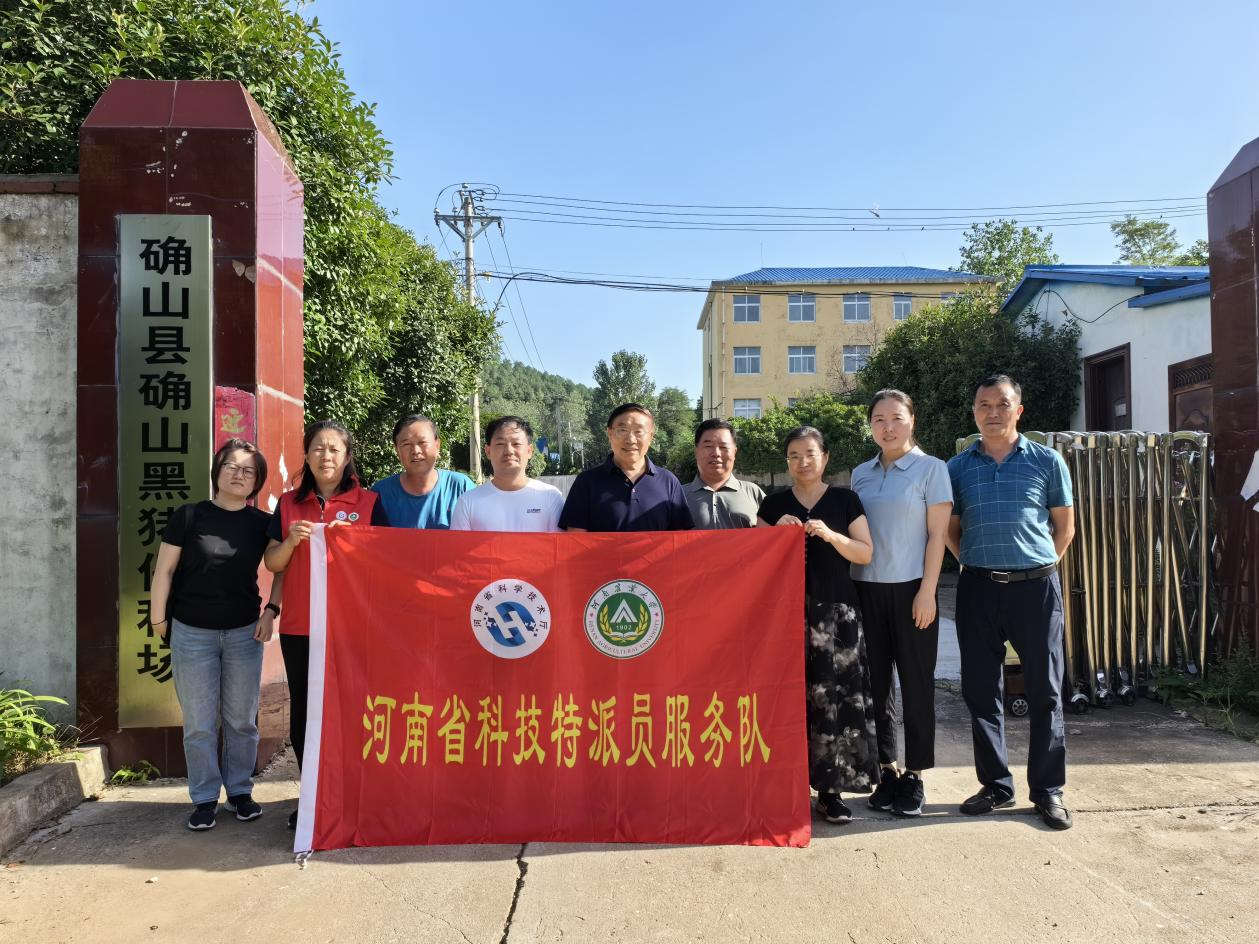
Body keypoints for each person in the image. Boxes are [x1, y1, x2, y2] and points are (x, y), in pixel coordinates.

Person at [946, 374, 1076, 830]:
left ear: (1018, 410)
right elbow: (951, 529)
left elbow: (1064, 527)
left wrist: (1038, 566)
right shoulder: (957, 468)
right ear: (974, 412)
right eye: (984, 405)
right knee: (981, 690)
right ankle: (996, 785)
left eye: (1002, 404)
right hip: (978, 588)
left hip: (1035, 589)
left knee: (1046, 689)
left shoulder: (1047, 461)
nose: (993, 412)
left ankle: (1048, 790)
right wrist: (973, 563)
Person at [149, 438, 281, 831]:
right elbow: (163, 571)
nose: (239, 475)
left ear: (257, 480)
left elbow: (282, 567)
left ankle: (239, 792)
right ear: (217, 470)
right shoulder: (189, 516)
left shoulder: (262, 523)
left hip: (244, 634)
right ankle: (204, 797)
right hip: (192, 634)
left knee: (241, 720)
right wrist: (159, 620)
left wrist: (272, 610)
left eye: (248, 470)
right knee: (199, 722)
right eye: (231, 466)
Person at [264, 420, 388, 828]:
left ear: (347, 456)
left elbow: (387, 560)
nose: (326, 456)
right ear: (306, 454)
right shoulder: (288, 504)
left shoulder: (370, 502)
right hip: (300, 626)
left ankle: (355, 795)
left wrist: (354, 542)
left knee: (352, 708)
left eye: (334, 449)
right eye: (318, 448)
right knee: (306, 711)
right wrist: (291, 541)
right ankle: (313, 796)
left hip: (351, 626)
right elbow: (273, 563)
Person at [757, 426, 878, 824]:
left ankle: (831, 792)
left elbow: (865, 553)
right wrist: (774, 534)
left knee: (835, 701)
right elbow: (753, 559)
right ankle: (784, 786)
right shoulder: (773, 504)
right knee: (786, 698)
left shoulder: (845, 499)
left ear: (825, 457)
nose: (802, 462)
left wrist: (831, 536)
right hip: (784, 616)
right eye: (794, 455)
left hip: (837, 615)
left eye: (810, 453)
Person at [850, 390, 953, 817]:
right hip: (865, 591)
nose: (887, 427)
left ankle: (915, 775)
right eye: (879, 419)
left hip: (913, 590)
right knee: (875, 687)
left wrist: (928, 591)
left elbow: (938, 535)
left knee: (916, 684)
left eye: (896, 418)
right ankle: (887, 768)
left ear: (912, 420)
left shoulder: (932, 469)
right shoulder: (860, 473)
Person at [559, 403, 693, 532]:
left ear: (651, 437)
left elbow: (679, 539)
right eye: (622, 430)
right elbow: (575, 539)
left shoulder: (668, 482)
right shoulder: (586, 482)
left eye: (639, 431)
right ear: (610, 433)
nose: (630, 440)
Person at [450, 416, 564, 532]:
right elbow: (459, 544)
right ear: (488, 451)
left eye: (516, 444)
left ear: (529, 451)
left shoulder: (551, 497)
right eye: (500, 444)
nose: (509, 451)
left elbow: (560, 543)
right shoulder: (468, 502)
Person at [372, 414, 474, 529]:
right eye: (406, 444)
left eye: (422, 442)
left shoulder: (460, 486)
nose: (416, 451)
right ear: (397, 450)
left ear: (437, 446)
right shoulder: (380, 494)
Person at [683, 418, 765, 529]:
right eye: (708, 446)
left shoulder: (753, 493)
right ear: (696, 451)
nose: (716, 453)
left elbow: (775, 533)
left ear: (734, 452)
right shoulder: (678, 496)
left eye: (723, 447)